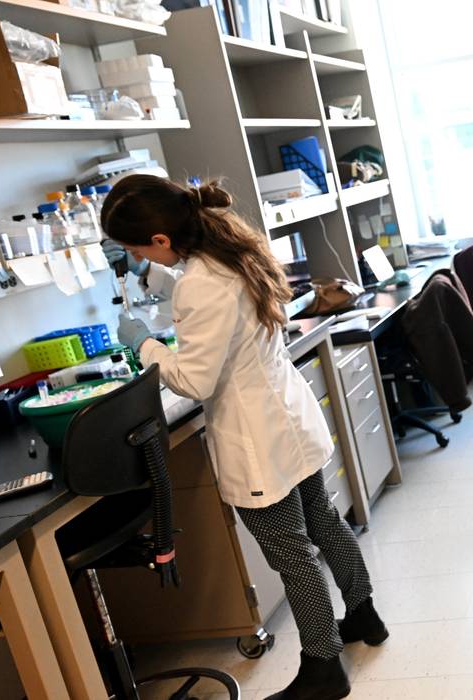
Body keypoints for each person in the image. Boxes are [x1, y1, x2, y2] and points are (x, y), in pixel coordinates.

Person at [101, 175, 387, 700]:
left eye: (135, 248)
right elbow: (213, 307)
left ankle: (324, 668)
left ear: (161, 241)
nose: (135, 256)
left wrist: (143, 344)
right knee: (322, 521)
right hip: (286, 418)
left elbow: (193, 380)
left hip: (257, 437)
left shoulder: (199, 283)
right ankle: (364, 616)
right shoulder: (230, 251)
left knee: (291, 554)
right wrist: (157, 288)